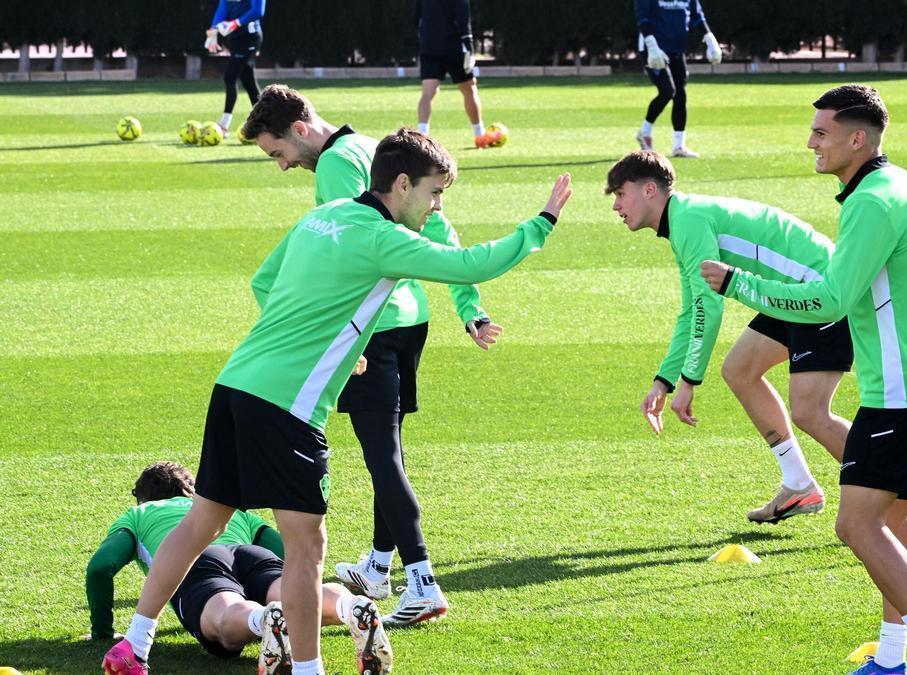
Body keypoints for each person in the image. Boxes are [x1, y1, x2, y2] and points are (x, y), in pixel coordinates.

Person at [102, 129, 573, 675]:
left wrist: (332, 340)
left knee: (202, 521)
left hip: (234, 384)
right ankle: (308, 670)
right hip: (287, 407)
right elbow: (471, 264)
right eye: (434, 193)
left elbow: (267, 281)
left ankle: (133, 644)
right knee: (306, 548)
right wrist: (543, 222)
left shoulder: (319, 218)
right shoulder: (382, 237)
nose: (437, 206)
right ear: (401, 185)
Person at [699, 85, 907, 675]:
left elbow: (829, 299)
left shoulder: (872, 202)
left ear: (857, 138)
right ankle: (894, 659)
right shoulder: (904, 185)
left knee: (855, 524)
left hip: (904, 390)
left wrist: (737, 284)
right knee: (891, 521)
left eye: (821, 133)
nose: (810, 142)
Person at [242, 85, 501, 626]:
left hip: (372, 328)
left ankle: (422, 581)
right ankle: (381, 567)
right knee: (390, 454)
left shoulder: (336, 167)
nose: (284, 165)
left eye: (278, 152)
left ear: (300, 129)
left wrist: (332, 341)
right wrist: (468, 305)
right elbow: (436, 226)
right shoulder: (371, 146)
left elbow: (337, 261)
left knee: (383, 456)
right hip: (412, 321)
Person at [606, 150, 852, 522]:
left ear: (650, 190)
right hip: (786, 294)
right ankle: (799, 485)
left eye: (620, 194)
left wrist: (690, 381)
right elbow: (692, 310)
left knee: (811, 413)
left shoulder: (688, 220)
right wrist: (664, 382)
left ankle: (890, 497)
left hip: (818, 292)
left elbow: (710, 306)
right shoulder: (683, 220)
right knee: (739, 370)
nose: (616, 206)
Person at [91, 462, 391, 675]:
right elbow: (290, 553)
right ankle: (347, 605)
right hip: (251, 553)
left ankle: (265, 619)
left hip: (198, 560)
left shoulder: (139, 513)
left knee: (223, 622)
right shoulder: (222, 510)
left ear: (143, 496)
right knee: (290, 592)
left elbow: (100, 568)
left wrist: (103, 632)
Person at [633, 0, 722, 158]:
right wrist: (651, 46)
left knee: (680, 94)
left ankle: (679, 146)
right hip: (653, 47)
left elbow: (697, 16)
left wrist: (710, 38)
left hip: (677, 48)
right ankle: (644, 132)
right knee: (668, 91)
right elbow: (643, 19)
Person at [414, 0, 502, 148]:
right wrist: (468, 47)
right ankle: (479, 135)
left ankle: (421, 139)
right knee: (469, 89)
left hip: (429, 45)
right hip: (453, 47)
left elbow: (416, 17)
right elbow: (463, 17)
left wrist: (424, 37)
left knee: (428, 93)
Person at [204, 0, 266, 137]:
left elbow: (257, 11)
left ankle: (224, 126)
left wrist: (236, 23)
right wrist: (213, 30)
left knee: (230, 77)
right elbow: (222, 9)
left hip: (249, 38)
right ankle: (266, 125)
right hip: (235, 40)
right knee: (249, 83)